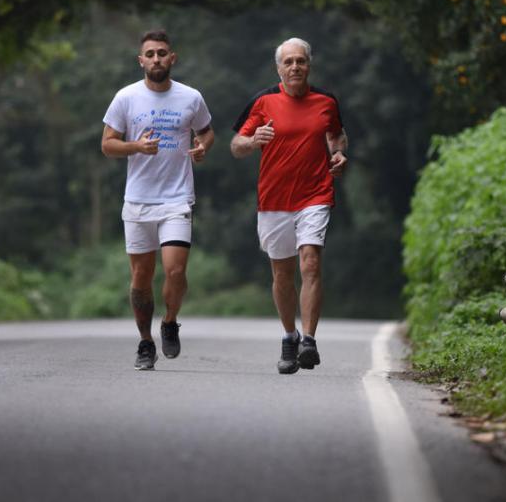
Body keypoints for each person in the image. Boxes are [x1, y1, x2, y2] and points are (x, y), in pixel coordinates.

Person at [230, 37, 348, 374]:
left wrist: (338, 152)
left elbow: (336, 134)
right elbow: (236, 144)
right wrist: (254, 141)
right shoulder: (263, 101)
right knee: (282, 275)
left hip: (315, 194)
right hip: (274, 200)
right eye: (288, 62)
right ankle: (289, 336)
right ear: (278, 68)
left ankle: (308, 340)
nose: (295, 67)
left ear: (309, 64)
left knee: (310, 263)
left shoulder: (326, 101)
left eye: (301, 61)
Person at [101, 30, 215, 370]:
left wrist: (202, 147)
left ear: (172, 58)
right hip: (137, 201)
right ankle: (145, 342)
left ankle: (169, 322)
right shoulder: (126, 98)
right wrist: (136, 146)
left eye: (161, 53)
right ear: (140, 60)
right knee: (141, 278)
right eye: (149, 54)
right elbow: (107, 144)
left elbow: (207, 131)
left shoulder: (191, 97)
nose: (155, 59)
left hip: (177, 198)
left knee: (175, 271)